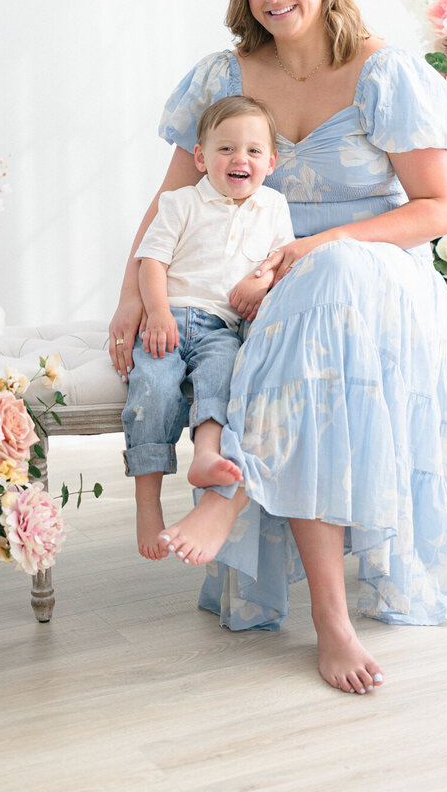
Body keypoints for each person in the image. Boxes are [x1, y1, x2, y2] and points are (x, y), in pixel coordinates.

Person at [110, 0, 447, 695]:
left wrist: (318, 248)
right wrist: (127, 301)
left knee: (333, 277)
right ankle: (325, 612)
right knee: (305, 325)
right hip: (259, 291)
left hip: (375, 276)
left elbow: (438, 207)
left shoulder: (385, 73)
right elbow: (171, 202)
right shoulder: (224, 76)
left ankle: (233, 496)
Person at [121, 95, 294, 560]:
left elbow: (281, 262)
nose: (241, 159)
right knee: (153, 386)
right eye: (226, 149)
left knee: (222, 379)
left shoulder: (274, 207)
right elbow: (151, 261)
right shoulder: (180, 203)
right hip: (169, 321)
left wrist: (260, 283)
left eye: (254, 151)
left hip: (222, 326)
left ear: (271, 163)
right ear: (200, 157)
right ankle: (148, 501)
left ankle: (206, 455)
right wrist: (155, 312)